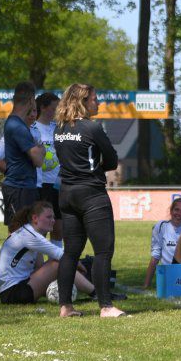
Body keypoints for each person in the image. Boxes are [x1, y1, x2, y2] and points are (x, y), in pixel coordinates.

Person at [53, 83, 126, 318]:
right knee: (103, 251)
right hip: (91, 194)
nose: (99, 103)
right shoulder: (92, 127)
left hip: (67, 194)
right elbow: (112, 161)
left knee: (70, 252)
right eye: (95, 99)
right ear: (83, 101)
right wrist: (95, 169)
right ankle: (106, 306)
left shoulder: (59, 129)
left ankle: (66, 307)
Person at [0, 91, 62, 245]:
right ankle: (13, 257)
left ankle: (55, 259)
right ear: (43, 108)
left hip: (55, 185)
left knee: (57, 228)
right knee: (28, 230)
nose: (58, 112)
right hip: (33, 186)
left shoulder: (58, 129)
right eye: (54, 108)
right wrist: (13, 172)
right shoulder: (22, 129)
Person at [0, 201, 94, 304]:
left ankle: (88, 287)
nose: (53, 221)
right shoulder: (30, 236)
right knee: (58, 264)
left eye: (53, 217)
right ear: (35, 218)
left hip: (14, 291)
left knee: (58, 264)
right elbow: (63, 256)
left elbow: (40, 267)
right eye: (48, 217)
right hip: (13, 293)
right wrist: (81, 267)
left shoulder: (28, 232)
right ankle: (95, 292)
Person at [0, 81, 45, 231]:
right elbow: (38, 161)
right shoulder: (17, 126)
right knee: (18, 232)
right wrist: (42, 149)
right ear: (31, 100)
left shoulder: (17, 123)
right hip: (19, 189)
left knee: (28, 233)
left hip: (23, 187)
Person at [143, 197, 181, 289]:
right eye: (176, 209)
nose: (179, 213)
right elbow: (155, 256)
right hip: (169, 272)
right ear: (171, 210)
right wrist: (146, 284)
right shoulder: (161, 226)